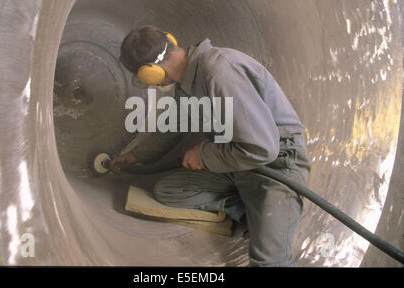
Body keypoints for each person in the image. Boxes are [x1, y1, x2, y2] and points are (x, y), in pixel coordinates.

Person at [111, 25, 312, 267]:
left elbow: (262, 148)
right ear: (170, 39)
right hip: (238, 163)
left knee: (268, 260)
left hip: (276, 165)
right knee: (169, 190)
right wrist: (136, 155)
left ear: (149, 73)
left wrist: (204, 154)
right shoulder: (187, 83)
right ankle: (249, 210)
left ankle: (261, 212)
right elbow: (175, 125)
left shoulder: (218, 71)